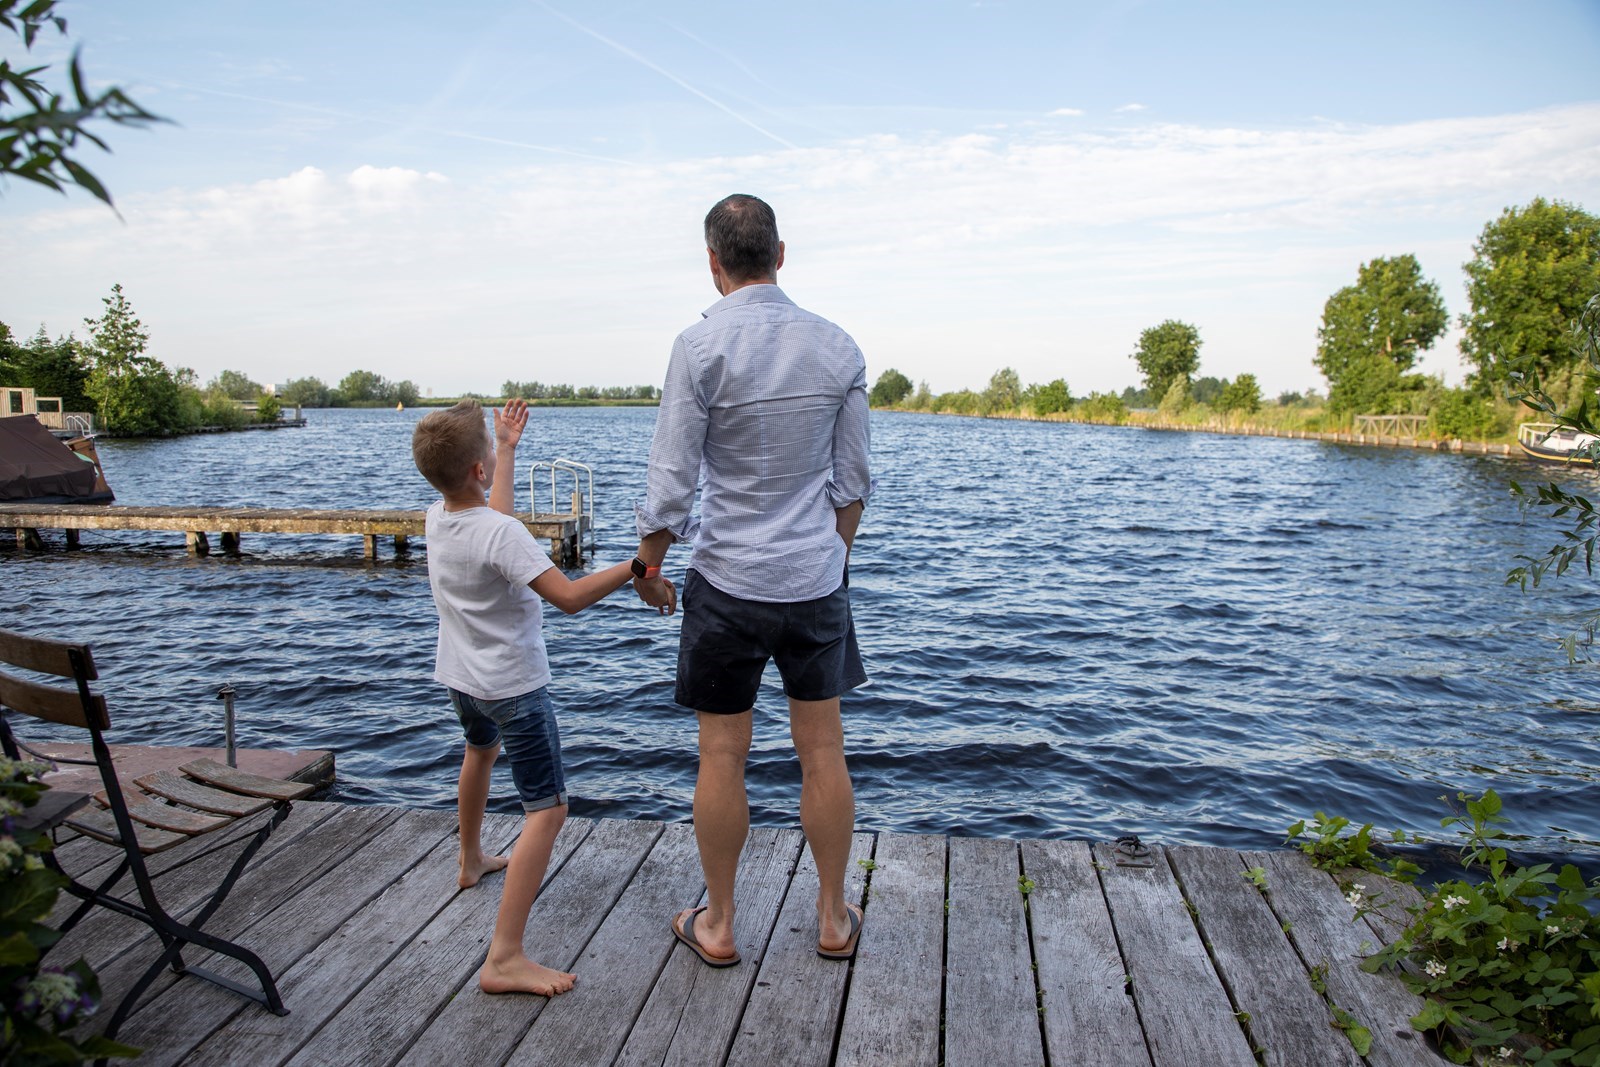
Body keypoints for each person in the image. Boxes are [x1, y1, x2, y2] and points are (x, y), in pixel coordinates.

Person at [632, 193, 874, 967]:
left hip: (726, 580)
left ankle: (721, 923)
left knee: (721, 754)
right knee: (822, 749)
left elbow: (672, 479)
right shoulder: (838, 348)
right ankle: (834, 918)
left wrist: (649, 561)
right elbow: (853, 482)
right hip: (812, 580)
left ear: (713, 263)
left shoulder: (698, 348)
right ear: (780, 253)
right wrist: (829, 560)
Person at [412, 397, 675, 997]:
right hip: (513, 686)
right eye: (489, 451)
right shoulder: (497, 532)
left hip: (461, 677)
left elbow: (494, 523)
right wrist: (638, 566)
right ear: (477, 471)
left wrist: (504, 449)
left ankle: (471, 859)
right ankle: (504, 957)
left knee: (480, 752)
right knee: (547, 811)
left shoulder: (439, 517)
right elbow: (571, 597)